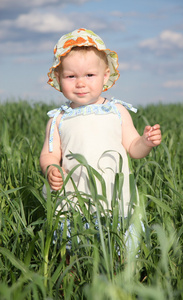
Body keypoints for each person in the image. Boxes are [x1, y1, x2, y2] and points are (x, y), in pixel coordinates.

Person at [40, 28, 161, 250]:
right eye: (71, 76)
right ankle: (72, 276)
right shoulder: (58, 119)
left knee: (122, 249)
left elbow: (133, 148)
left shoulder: (116, 111)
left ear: (105, 75)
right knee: (73, 248)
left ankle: (124, 275)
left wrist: (146, 142)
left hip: (117, 201)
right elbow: (49, 153)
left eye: (89, 75)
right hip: (74, 200)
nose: (80, 83)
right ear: (58, 78)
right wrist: (51, 168)